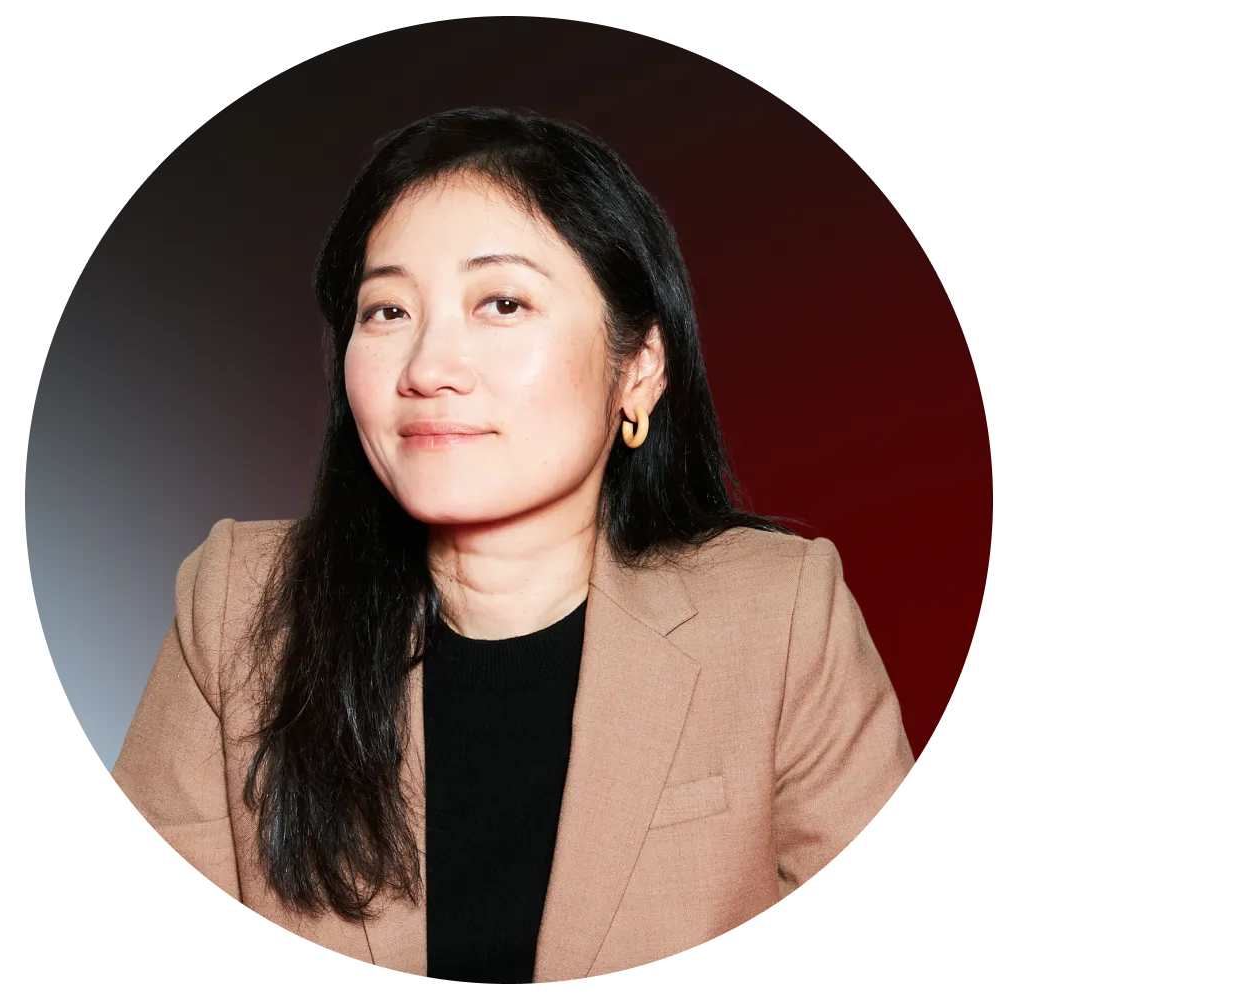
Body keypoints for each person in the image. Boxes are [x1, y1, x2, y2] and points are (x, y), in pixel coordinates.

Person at [111, 106, 914, 983]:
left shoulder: (778, 619)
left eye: (502, 303)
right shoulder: (238, 605)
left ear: (639, 367)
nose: (427, 367)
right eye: (387, 310)